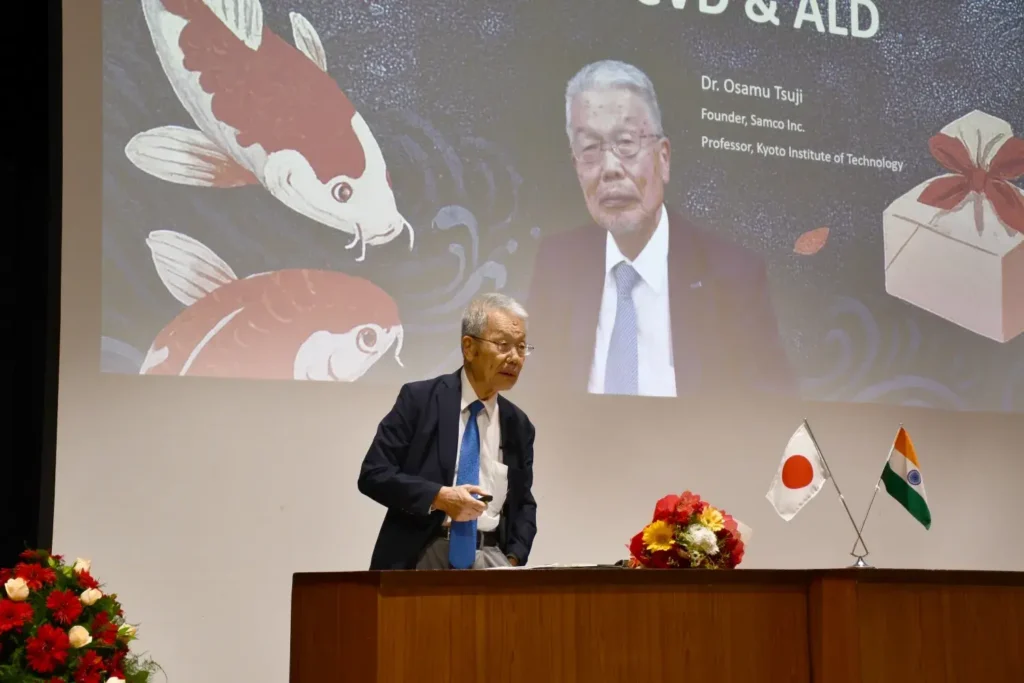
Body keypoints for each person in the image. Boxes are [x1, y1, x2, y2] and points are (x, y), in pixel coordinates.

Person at [527, 59, 797, 399]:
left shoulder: (732, 275)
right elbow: (531, 396)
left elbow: (772, 407)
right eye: (591, 149)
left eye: (626, 142)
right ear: (576, 166)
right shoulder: (558, 263)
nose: (609, 168)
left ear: (663, 157)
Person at [358, 293, 538, 570]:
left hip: (491, 558)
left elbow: (523, 503)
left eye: (522, 347)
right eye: (503, 345)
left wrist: (512, 558)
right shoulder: (419, 400)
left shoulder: (518, 424)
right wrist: (438, 496)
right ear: (469, 347)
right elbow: (374, 473)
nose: (514, 358)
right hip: (422, 552)